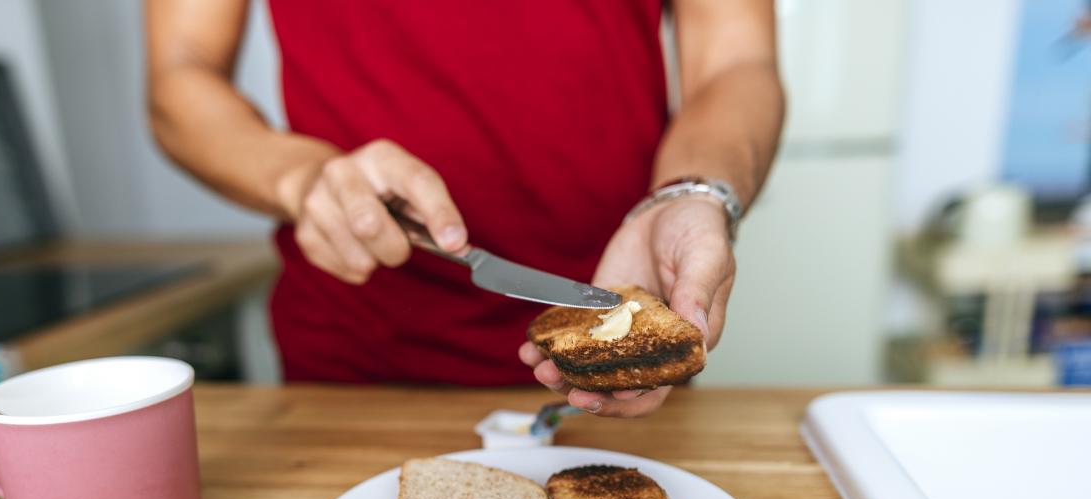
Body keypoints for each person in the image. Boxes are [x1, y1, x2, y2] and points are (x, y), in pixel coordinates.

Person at [147, 1, 784, 417]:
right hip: (356, 364)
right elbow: (181, 73)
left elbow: (736, 62)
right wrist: (302, 178)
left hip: (627, 343)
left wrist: (694, 194)